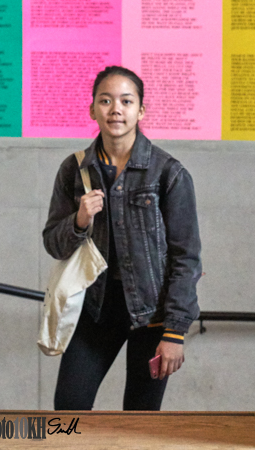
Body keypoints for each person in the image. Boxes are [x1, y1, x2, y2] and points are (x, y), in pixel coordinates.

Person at [43, 65, 201, 410]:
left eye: (126, 101)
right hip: (96, 308)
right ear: (92, 109)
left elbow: (186, 259)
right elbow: (53, 243)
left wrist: (174, 332)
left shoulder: (168, 173)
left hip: (152, 314)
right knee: (69, 408)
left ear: (140, 110)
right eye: (106, 100)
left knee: (140, 423)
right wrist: (80, 220)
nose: (116, 109)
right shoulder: (75, 169)